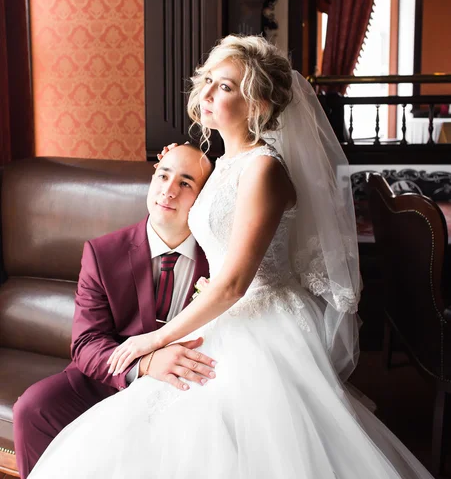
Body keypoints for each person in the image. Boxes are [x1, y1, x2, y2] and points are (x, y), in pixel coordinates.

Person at [28, 35, 433, 479]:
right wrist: (175, 167)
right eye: (207, 81)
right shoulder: (223, 163)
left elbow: (235, 283)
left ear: (257, 102)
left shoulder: (264, 169)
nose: (205, 93)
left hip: (260, 322)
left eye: (224, 86)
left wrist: (152, 340)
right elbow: (208, 224)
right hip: (226, 317)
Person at [14, 143, 214, 478]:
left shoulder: (220, 259)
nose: (168, 190)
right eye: (164, 176)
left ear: (204, 197)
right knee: (33, 408)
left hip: (188, 383)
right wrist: (146, 363)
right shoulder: (102, 252)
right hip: (114, 377)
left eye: (185, 183)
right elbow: (86, 344)